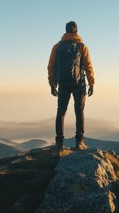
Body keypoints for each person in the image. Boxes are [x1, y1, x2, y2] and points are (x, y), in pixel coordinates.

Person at [47, 21, 95, 150]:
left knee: (61, 112)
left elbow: (51, 66)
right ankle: (79, 142)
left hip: (63, 84)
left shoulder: (57, 47)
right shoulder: (82, 47)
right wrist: (91, 83)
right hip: (79, 84)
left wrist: (52, 84)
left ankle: (59, 143)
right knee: (79, 112)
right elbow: (88, 67)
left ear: (65, 31)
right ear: (76, 31)